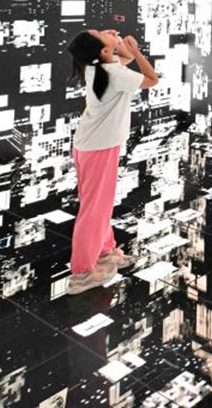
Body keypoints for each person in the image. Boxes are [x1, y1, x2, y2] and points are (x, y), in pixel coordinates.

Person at [64, 28, 159, 294]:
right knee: (94, 210)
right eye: (101, 33)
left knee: (99, 206)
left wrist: (120, 46)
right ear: (104, 51)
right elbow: (152, 79)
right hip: (100, 147)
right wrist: (136, 51)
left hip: (92, 145)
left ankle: (105, 252)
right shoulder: (114, 73)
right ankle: (81, 274)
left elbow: (122, 60)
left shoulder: (100, 67)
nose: (106, 30)